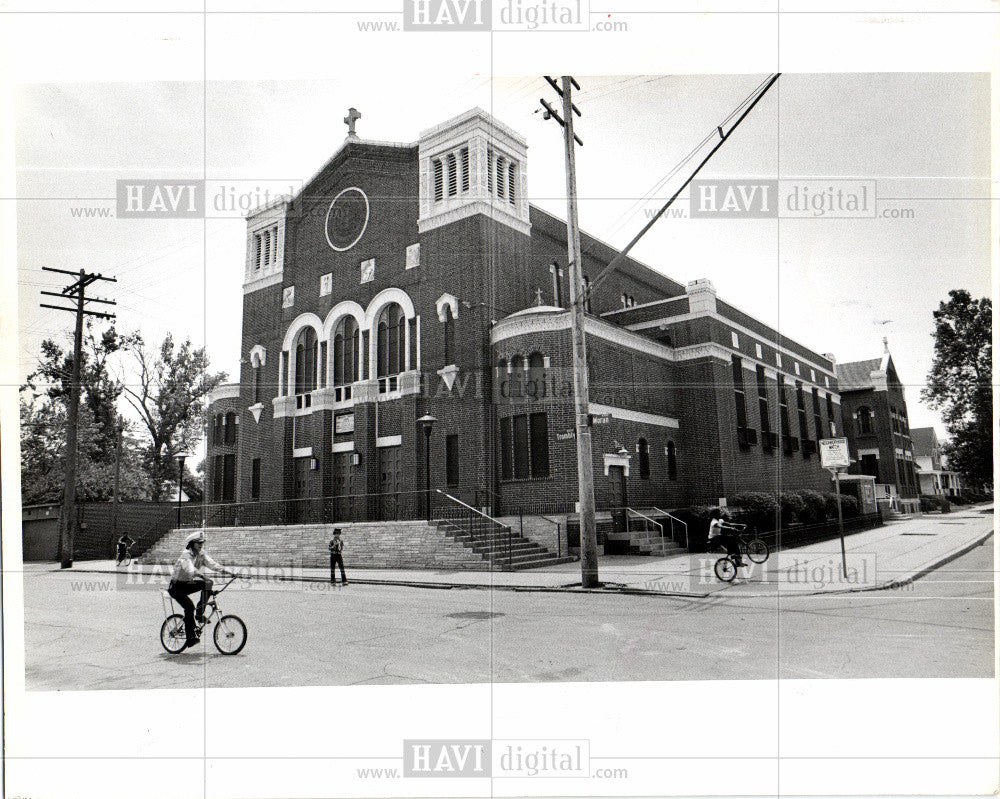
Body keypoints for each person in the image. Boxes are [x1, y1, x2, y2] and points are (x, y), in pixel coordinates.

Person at [167, 531, 233, 651]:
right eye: (198, 543)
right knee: (189, 607)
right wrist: (202, 576)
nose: (201, 545)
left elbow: (213, 565)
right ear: (192, 544)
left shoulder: (201, 554)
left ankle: (199, 614)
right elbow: (190, 570)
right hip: (176, 587)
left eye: (202, 543)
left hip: (187, 584)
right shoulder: (185, 555)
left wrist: (230, 573)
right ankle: (190, 638)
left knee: (208, 584)